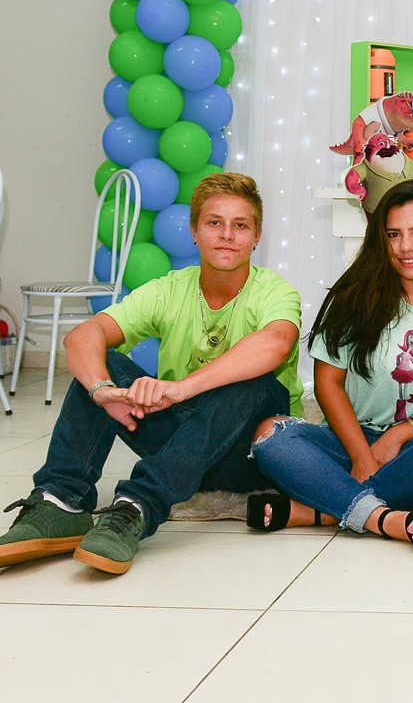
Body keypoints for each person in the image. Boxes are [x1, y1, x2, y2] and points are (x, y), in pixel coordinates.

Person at [0, 173, 303, 575]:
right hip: (182, 445)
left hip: (248, 456)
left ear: (256, 236)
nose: (227, 235)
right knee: (104, 363)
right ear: (194, 232)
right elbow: (84, 336)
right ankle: (60, 502)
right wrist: (101, 390)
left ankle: (137, 506)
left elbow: (275, 344)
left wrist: (181, 389)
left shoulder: (275, 291)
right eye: (214, 222)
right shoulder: (169, 289)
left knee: (253, 379)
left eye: (240, 225)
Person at [249, 180, 413, 547]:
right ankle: (384, 519)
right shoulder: (351, 298)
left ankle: (321, 510)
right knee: (271, 435)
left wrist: (397, 435)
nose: (406, 246)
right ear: (381, 240)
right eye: (394, 234)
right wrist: (361, 455)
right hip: (348, 441)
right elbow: (327, 383)